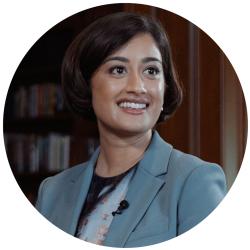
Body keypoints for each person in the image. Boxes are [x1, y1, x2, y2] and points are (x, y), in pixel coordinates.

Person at [35, 12, 227, 247]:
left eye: (151, 71)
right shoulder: (52, 191)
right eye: (118, 70)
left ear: (165, 87)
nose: (137, 87)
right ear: (87, 84)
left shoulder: (195, 181)